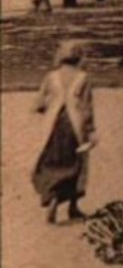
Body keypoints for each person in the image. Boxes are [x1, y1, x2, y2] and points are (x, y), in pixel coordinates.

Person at [33, 40, 97, 224]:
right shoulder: (83, 78)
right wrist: (91, 130)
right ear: (79, 57)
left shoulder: (51, 77)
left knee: (53, 161)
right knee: (76, 163)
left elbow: (39, 104)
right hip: (75, 126)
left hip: (53, 125)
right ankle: (73, 207)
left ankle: (52, 196)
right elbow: (87, 107)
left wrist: (49, 108)